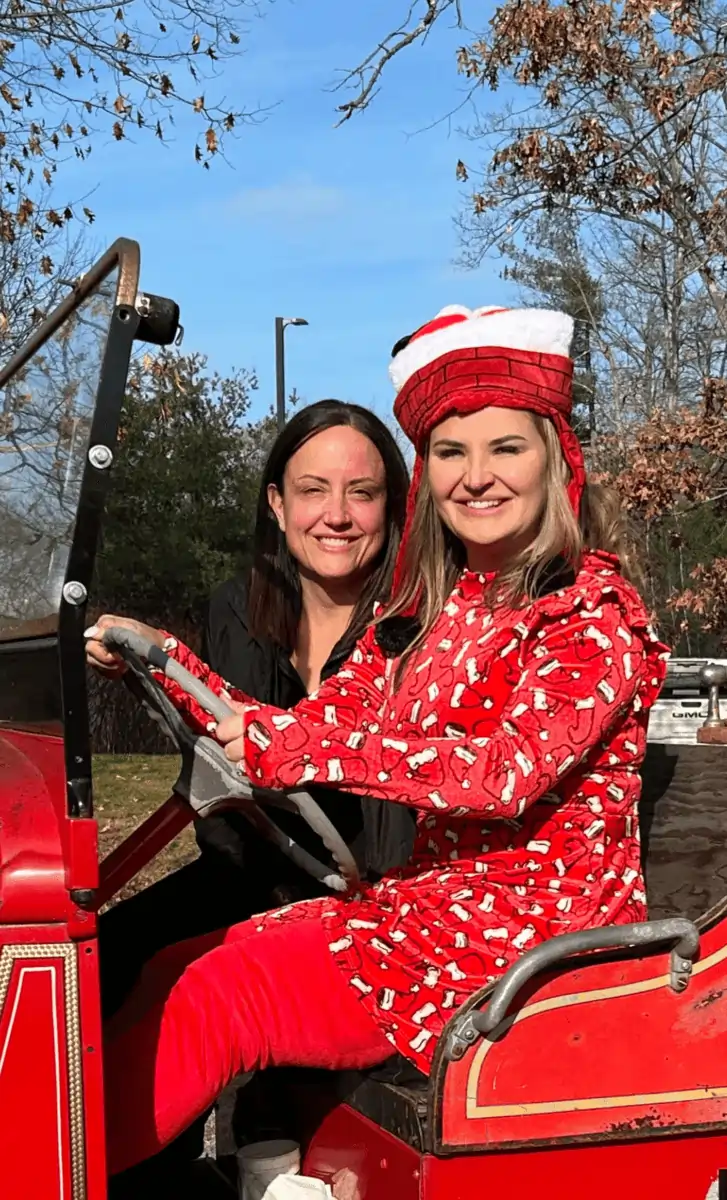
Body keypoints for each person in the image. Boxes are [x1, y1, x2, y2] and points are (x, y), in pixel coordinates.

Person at [89, 305, 670, 1176]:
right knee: (180, 960)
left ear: (555, 458)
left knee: (222, 995)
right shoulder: (436, 608)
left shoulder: (591, 613)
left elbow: (502, 774)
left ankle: (40, 1173)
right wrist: (164, 661)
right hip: (421, 913)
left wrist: (299, 751)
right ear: (426, 471)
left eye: (504, 448)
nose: (475, 477)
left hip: (524, 948)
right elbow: (327, 718)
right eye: (449, 452)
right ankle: (77, 1159)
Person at [99, 399, 413, 1021]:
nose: (337, 516)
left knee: (207, 1003)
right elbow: (220, 750)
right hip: (253, 876)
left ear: (393, 506)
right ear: (277, 503)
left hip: (376, 901)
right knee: (107, 968)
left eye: (362, 493)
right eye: (313, 490)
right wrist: (153, 664)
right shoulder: (237, 609)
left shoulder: (417, 627)